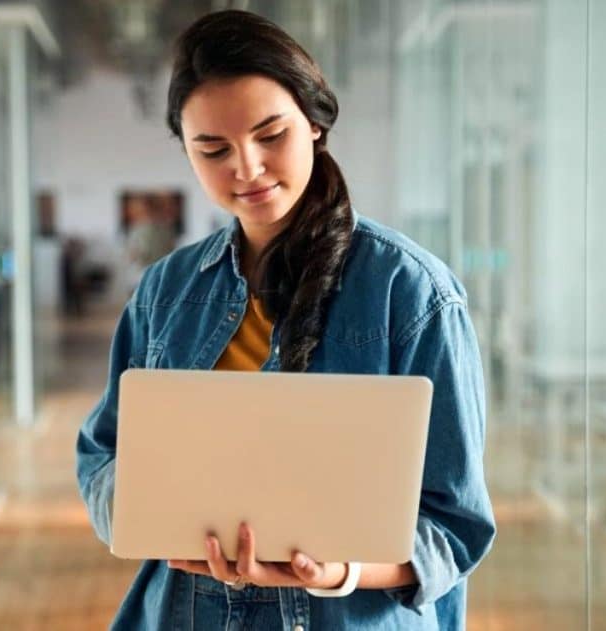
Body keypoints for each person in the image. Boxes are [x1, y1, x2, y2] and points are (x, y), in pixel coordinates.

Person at [77, 10, 495, 630]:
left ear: (316, 124)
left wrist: (342, 571)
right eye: (213, 149)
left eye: (271, 135)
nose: (245, 168)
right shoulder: (165, 289)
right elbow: (103, 454)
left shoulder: (411, 291)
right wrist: (152, 522)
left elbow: (454, 525)